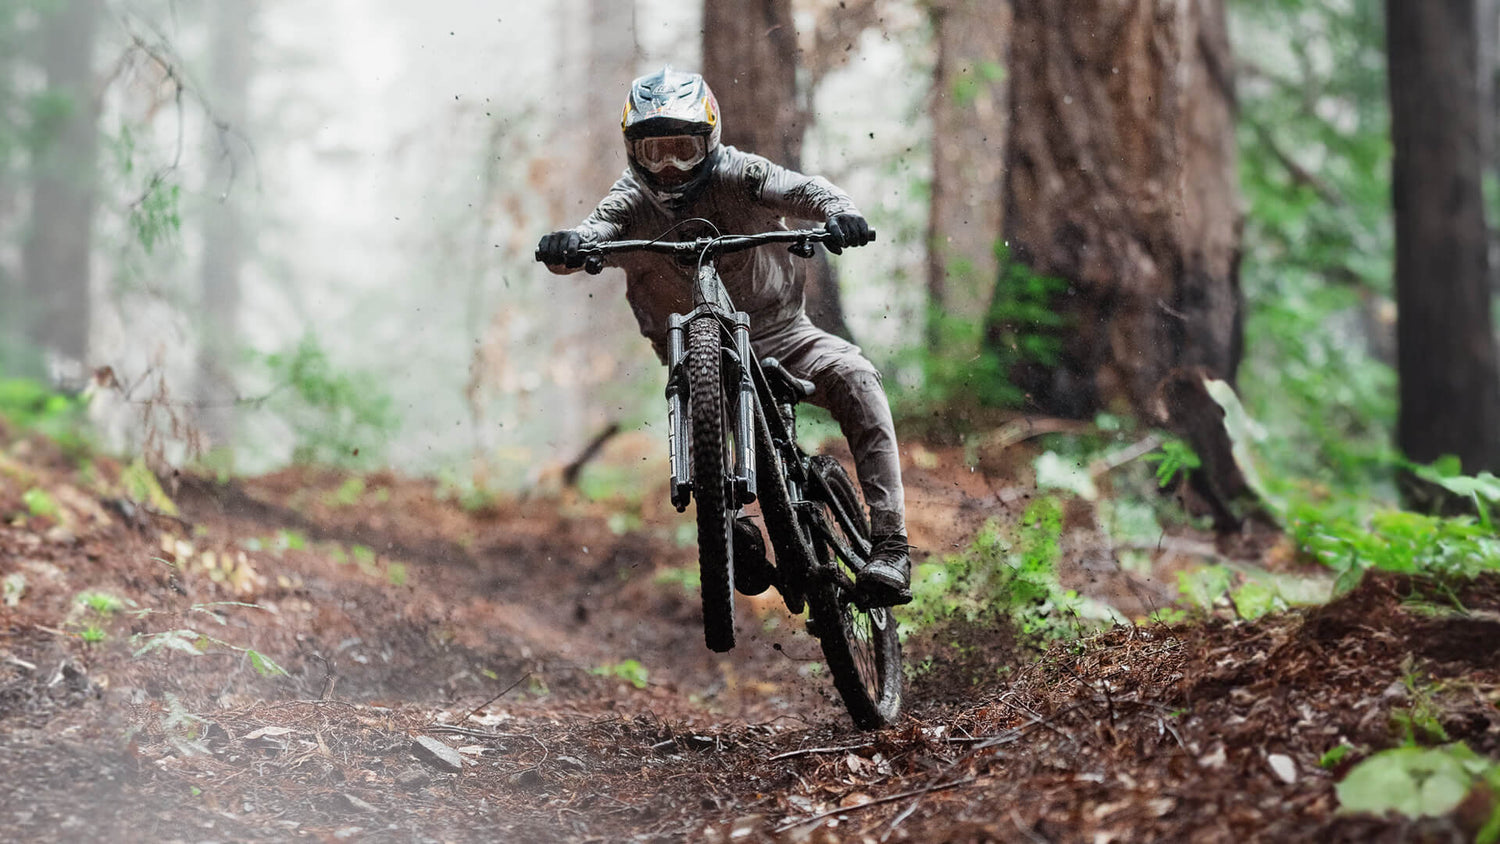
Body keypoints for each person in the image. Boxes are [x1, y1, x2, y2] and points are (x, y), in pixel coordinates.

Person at [536, 67, 910, 607]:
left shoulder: (741, 174)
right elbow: (594, 235)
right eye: (654, 152)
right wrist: (566, 247)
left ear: (709, 142)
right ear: (632, 152)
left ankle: (891, 542)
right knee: (695, 405)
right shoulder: (629, 200)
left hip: (783, 335)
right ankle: (728, 518)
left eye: (683, 150)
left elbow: (803, 189)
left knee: (855, 376)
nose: (668, 167)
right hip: (694, 351)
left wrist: (839, 213)